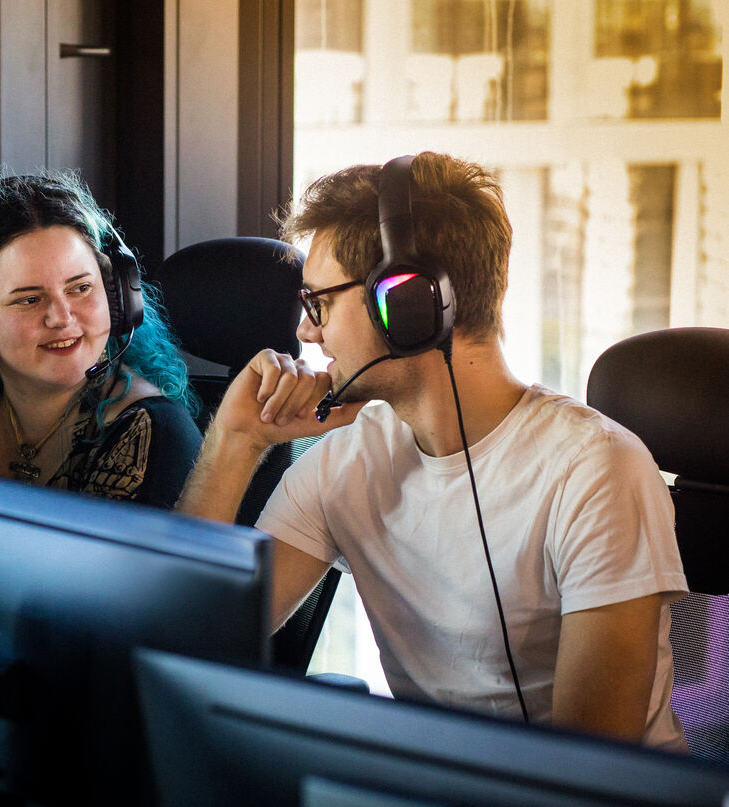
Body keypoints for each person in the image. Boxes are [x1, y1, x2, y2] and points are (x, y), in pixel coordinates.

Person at [176, 152, 689, 751]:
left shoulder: (596, 470)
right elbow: (193, 639)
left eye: (320, 303)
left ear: (409, 305)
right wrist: (235, 442)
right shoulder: (347, 458)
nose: (305, 332)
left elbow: (589, 769)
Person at [0, 171, 202, 509]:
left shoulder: (154, 434)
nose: (62, 318)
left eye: (81, 288)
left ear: (117, 295)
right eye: (29, 299)